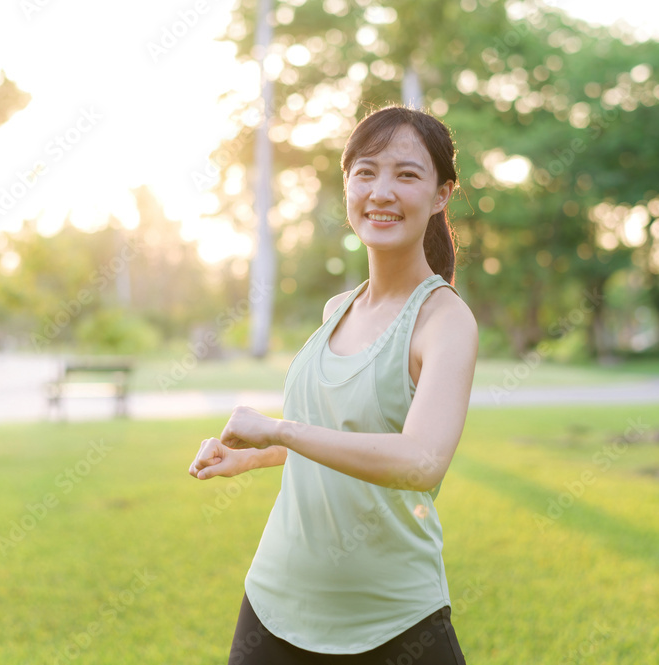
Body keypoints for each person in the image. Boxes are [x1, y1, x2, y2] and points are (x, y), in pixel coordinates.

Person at [189, 105, 478, 664]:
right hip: (276, 603)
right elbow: (338, 433)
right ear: (347, 186)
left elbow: (420, 461)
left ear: (441, 194)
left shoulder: (444, 320)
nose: (382, 191)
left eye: (406, 174)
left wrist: (281, 429)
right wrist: (250, 455)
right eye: (365, 172)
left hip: (395, 620)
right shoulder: (337, 309)